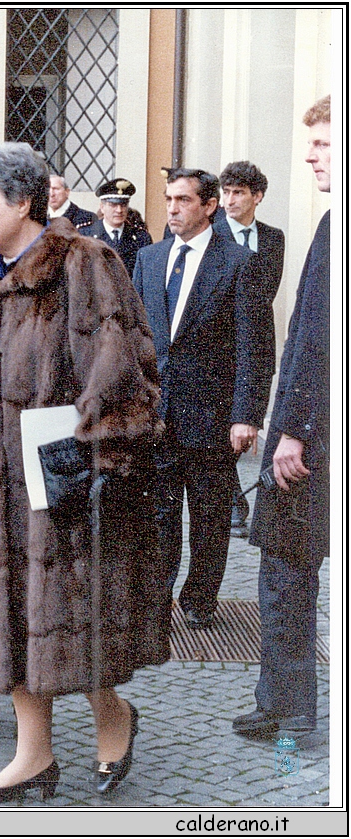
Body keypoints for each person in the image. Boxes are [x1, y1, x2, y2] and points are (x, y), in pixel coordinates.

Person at [0, 142, 168, 802]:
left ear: (22, 202)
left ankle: (113, 715)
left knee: (71, 613)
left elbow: (125, 375)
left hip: (68, 487)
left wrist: (96, 462)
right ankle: (33, 755)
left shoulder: (87, 265)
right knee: (14, 618)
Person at [131, 168, 274, 630]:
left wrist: (246, 415)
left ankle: (200, 596)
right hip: (157, 414)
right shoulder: (149, 260)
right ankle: (157, 597)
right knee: (159, 513)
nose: (172, 209)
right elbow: (134, 338)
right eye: (169, 199)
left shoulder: (238, 263)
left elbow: (255, 347)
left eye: (183, 200)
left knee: (210, 515)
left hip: (212, 416)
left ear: (209, 205)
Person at [233, 95, 330, 745]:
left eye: (326, 142)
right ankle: (279, 700)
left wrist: (293, 429)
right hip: (310, 429)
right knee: (281, 569)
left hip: (314, 443)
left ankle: (292, 711)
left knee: (288, 573)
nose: (311, 154)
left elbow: (322, 339)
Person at [216, 160, 286, 538]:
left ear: (257, 197)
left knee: (248, 422)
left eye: (238, 193)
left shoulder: (273, 238)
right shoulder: (211, 234)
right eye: (226, 192)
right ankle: (231, 501)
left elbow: (265, 295)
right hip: (217, 348)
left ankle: (233, 499)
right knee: (222, 430)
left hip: (256, 346)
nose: (229, 201)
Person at [81, 178, 153, 277]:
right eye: (113, 205)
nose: (119, 210)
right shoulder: (85, 236)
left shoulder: (141, 237)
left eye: (123, 205)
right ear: (102, 207)